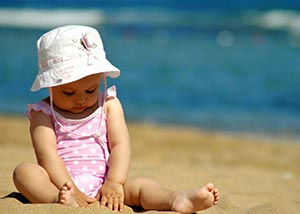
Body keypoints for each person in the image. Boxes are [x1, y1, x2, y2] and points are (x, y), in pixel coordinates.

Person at [13, 25, 219, 213]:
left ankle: (176, 199)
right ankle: (58, 201)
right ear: (50, 85)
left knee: (142, 185)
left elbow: (120, 145)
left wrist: (114, 181)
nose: (81, 98)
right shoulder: (43, 113)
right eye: (68, 92)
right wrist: (70, 188)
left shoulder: (109, 105)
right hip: (60, 184)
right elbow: (47, 156)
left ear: (100, 78)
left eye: (91, 89)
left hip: (106, 185)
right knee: (24, 172)